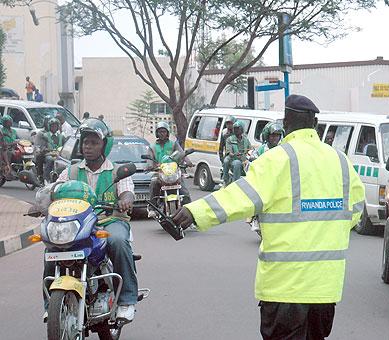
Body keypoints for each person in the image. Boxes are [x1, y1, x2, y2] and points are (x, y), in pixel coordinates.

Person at [173, 94, 365, 340]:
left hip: (285, 289)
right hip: (325, 289)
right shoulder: (340, 161)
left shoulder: (277, 160)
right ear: (315, 124)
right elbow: (355, 208)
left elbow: (238, 197)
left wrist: (194, 211)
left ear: (285, 124)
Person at [42, 118, 139, 323]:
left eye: (94, 142)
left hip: (109, 220)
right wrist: (42, 203)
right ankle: (50, 304)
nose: (88, 146)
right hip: (78, 224)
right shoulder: (72, 171)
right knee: (52, 249)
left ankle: (127, 301)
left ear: (105, 145)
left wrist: (125, 201)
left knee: (118, 242)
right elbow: (53, 191)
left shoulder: (115, 171)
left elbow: (128, 192)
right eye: (85, 142)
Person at [148, 121, 192, 213]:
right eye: (160, 132)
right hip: (159, 172)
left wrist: (188, 162)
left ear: (167, 132)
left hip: (173, 172)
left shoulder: (173, 144)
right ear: (157, 133)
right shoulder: (152, 147)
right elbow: (149, 159)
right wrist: (150, 166)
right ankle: (152, 208)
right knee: (153, 183)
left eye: (164, 131)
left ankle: (190, 212)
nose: (162, 134)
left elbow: (181, 153)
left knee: (184, 192)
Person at [42, 118, 64, 182]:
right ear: (49, 127)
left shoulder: (61, 136)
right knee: (50, 159)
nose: (54, 127)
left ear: (58, 127)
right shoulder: (45, 135)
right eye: (52, 126)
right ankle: (46, 178)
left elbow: (65, 146)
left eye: (55, 126)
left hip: (59, 154)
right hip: (49, 154)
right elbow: (42, 147)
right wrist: (46, 149)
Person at [34, 116, 51, 182]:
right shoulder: (41, 133)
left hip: (53, 152)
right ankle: (42, 176)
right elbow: (37, 146)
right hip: (43, 152)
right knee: (44, 158)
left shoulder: (57, 134)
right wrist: (42, 150)